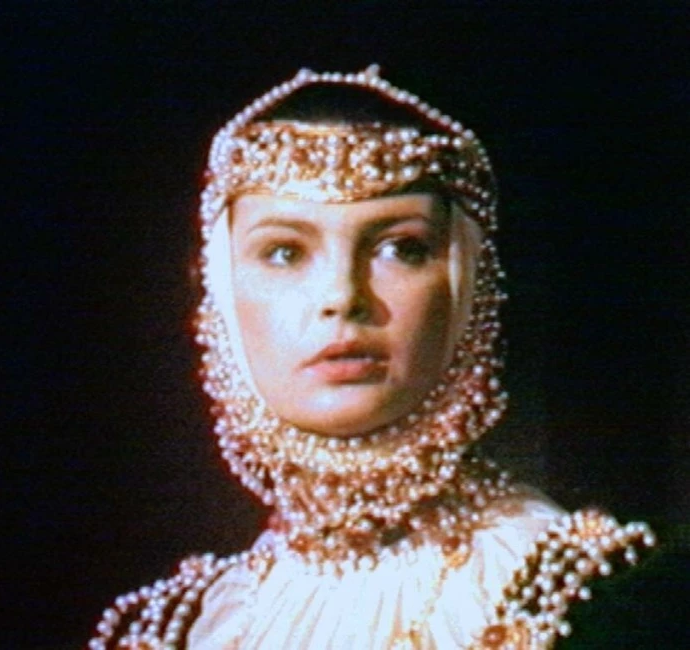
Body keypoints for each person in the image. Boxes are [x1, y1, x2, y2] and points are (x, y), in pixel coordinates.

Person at [88, 65, 655, 650]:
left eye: (401, 248)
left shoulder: (598, 595)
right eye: (284, 252)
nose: (342, 296)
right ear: (218, 295)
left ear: (469, 285)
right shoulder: (174, 627)